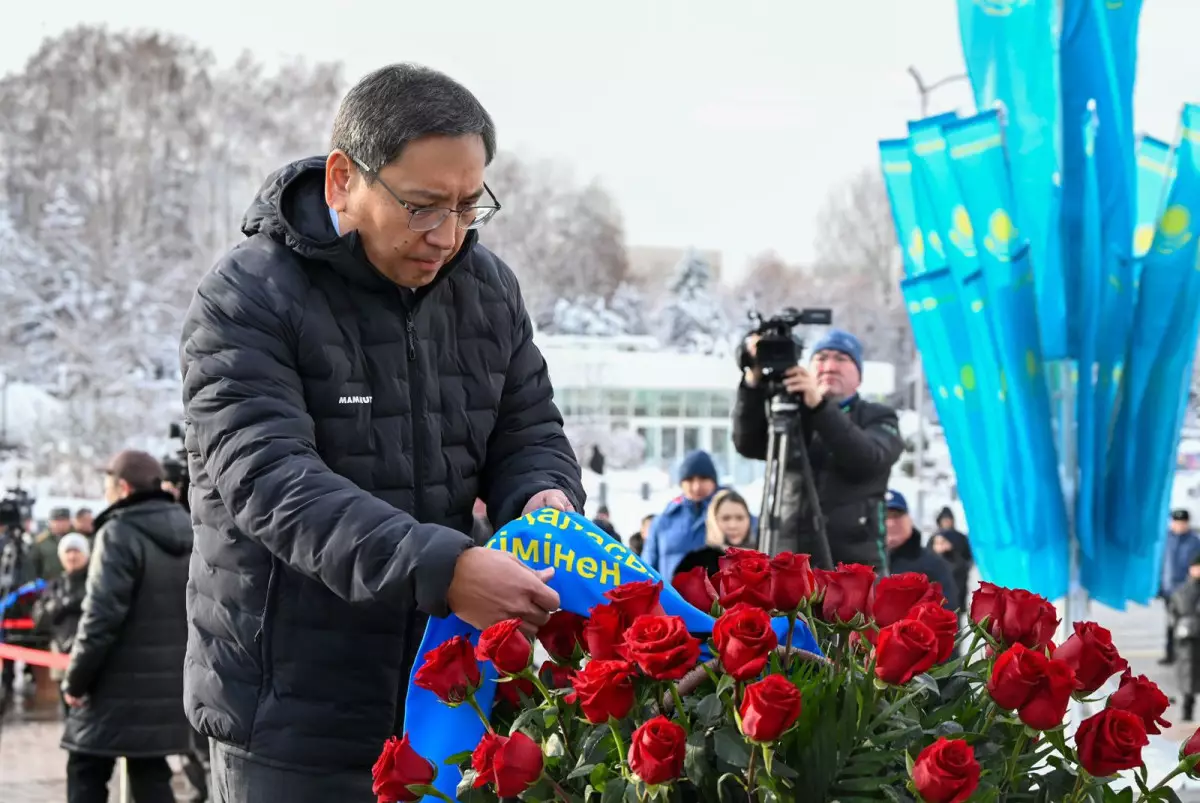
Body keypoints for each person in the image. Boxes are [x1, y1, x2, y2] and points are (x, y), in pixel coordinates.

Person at [180, 63, 584, 802]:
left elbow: (527, 427)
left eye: (470, 206)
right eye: (424, 206)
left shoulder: (487, 288)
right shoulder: (248, 294)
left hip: (450, 699)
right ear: (342, 179)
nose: (448, 234)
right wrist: (447, 570)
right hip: (294, 716)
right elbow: (270, 482)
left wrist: (546, 498)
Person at [60, 450, 193, 803]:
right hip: (166, 687)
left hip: (112, 689)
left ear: (121, 487)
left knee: (85, 771)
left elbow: (101, 618)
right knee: (150, 775)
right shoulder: (187, 526)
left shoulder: (119, 532)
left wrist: (76, 681)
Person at [733, 328, 904, 569]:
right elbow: (748, 444)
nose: (830, 366)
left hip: (854, 567)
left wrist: (819, 407)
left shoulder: (879, 416)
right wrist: (752, 382)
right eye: (821, 358)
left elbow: (867, 458)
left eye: (841, 359)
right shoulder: (792, 413)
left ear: (859, 377)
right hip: (789, 558)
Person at [31, 533, 89, 715]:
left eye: (77, 551)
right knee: (66, 709)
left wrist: (74, 603)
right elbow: (39, 620)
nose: (72, 556)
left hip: (88, 652)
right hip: (60, 652)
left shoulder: (94, 582)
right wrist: (58, 606)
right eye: (68, 552)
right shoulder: (54, 584)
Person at [643, 450, 722, 580]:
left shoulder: (732, 517)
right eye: (690, 480)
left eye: (703, 478)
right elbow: (647, 570)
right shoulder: (662, 522)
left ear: (713, 481)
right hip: (671, 599)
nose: (696, 486)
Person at [882, 490, 959, 611]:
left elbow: (948, 613)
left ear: (908, 519)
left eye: (896, 515)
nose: (890, 523)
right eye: (884, 515)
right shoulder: (861, 561)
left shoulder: (933, 564)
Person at [1161, 509, 1200, 665]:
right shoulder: (1166, 540)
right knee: (1171, 622)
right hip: (1169, 588)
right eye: (1176, 522)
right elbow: (1161, 565)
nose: (1179, 525)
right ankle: (1170, 654)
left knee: (1186, 622)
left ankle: (1187, 655)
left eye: (1182, 523)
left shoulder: (1194, 541)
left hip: (1187, 590)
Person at [1172, 554, 1200, 722]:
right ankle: (1187, 710)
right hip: (1189, 638)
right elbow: (1176, 611)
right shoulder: (1183, 591)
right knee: (1188, 673)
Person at [933, 507, 972, 611]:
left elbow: (967, 556)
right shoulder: (935, 537)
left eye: (948, 519)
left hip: (958, 580)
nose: (946, 522)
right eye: (944, 519)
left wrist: (952, 550)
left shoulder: (960, 537)